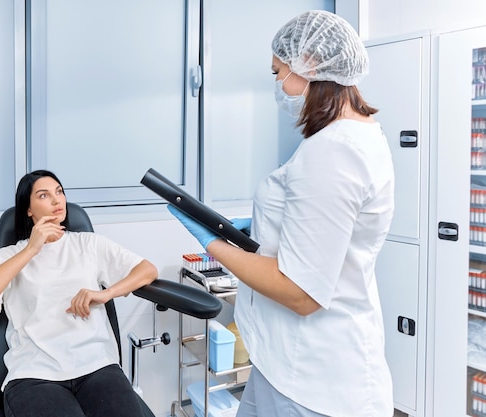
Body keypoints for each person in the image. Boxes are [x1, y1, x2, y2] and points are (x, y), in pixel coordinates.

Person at [167, 10, 394, 417]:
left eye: (277, 72)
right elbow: (329, 231)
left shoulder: (332, 152)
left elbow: (301, 292)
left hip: (312, 378)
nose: (276, 84)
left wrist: (213, 244)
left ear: (308, 65)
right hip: (288, 366)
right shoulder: (358, 137)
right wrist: (268, 228)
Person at [0, 169, 158, 417]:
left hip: (97, 366)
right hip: (34, 375)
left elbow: (147, 270)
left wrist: (107, 293)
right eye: (44, 195)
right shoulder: (9, 256)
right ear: (28, 210)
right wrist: (32, 249)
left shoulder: (89, 244)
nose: (57, 200)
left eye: (59, 192)